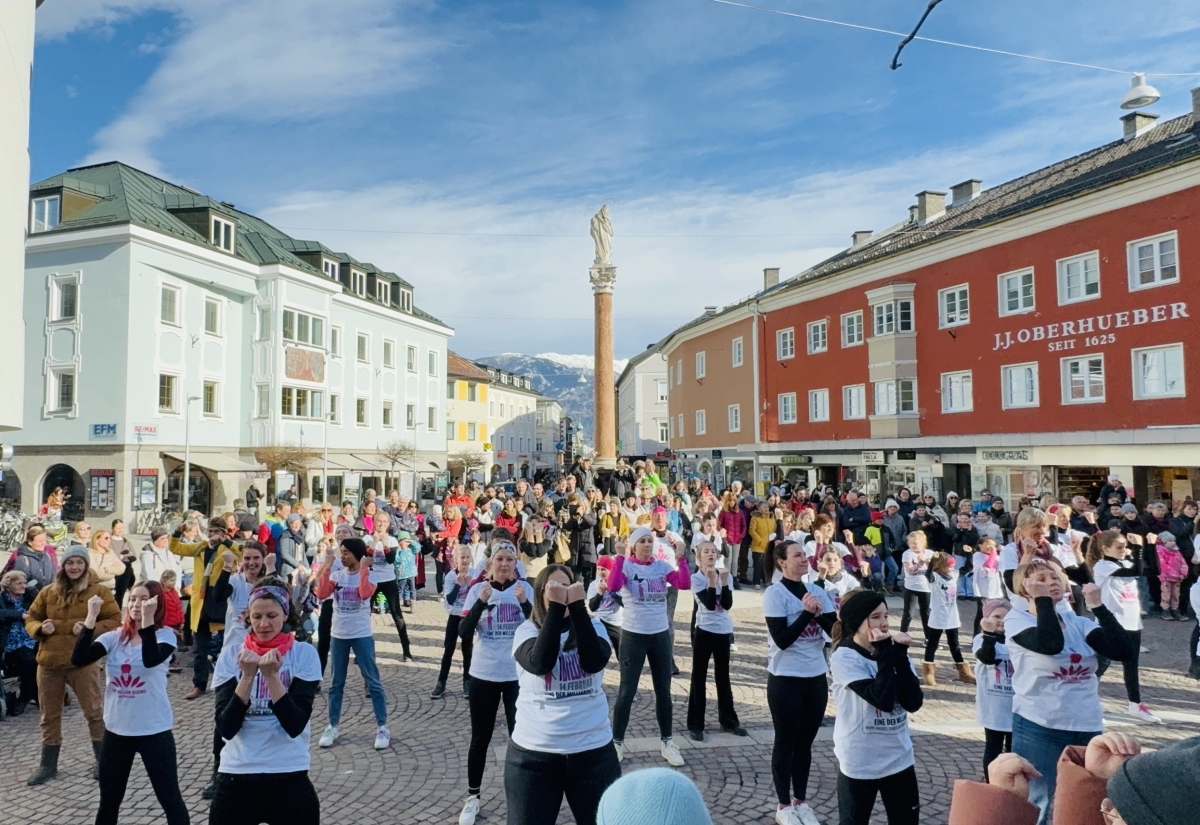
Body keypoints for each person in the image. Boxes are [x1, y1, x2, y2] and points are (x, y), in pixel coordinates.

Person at [1005, 561, 1131, 824]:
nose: (1051, 581)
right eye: (1041, 578)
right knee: (1039, 803)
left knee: (1084, 799)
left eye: (1055, 577)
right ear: (1024, 588)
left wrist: (1098, 606)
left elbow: (1122, 650)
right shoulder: (1017, 620)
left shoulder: (1078, 622)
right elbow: (1050, 643)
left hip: (1086, 724)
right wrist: (1041, 600)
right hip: (1039, 726)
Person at [504, 565, 620, 825]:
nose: (561, 593)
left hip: (593, 753)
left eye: (566, 587)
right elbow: (540, 662)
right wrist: (556, 609)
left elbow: (594, 660)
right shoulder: (526, 631)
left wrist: (578, 608)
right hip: (534, 757)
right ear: (540, 594)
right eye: (552, 589)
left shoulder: (596, 627)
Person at [70, 581, 189, 825]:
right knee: (109, 801)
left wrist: (146, 622)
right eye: (133, 598)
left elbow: (150, 659)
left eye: (144, 599)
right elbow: (79, 659)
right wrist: (91, 618)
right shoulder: (115, 637)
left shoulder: (165, 635)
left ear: (156, 603)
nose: (137, 604)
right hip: (117, 731)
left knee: (170, 798)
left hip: (154, 730)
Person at [210, 580, 322, 825]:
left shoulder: (304, 654)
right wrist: (248, 677)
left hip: (288, 774)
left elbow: (295, 724)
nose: (263, 624)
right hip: (236, 775)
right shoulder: (230, 656)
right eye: (256, 616)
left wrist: (271, 677)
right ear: (247, 616)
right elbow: (226, 727)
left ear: (285, 614)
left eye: (272, 615)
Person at [24, 546, 120, 785]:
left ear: (86, 565)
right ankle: (48, 764)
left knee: (94, 713)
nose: (74, 567)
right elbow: (31, 617)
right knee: (49, 715)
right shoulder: (47, 592)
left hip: (83, 662)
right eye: (70, 563)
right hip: (49, 662)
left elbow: (115, 619)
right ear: (63, 566)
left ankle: (104, 761)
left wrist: (91, 629)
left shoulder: (98, 592)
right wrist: (38, 629)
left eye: (79, 562)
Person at [457, 539, 534, 825]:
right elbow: (464, 631)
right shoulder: (479, 589)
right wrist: (481, 602)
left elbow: (541, 629)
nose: (504, 564)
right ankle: (473, 796)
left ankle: (522, 795)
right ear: (490, 563)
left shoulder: (524, 590)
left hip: (517, 676)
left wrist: (525, 604)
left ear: (516, 565)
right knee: (481, 737)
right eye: (499, 559)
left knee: (521, 737)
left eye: (509, 560)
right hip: (484, 674)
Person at [830, 590, 923, 825]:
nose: (883, 623)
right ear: (857, 621)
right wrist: (884, 653)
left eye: (886, 616)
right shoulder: (845, 657)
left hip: (899, 757)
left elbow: (913, 702)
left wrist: (900, 657)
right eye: (875, 617)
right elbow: (881, 699)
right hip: (860, 760)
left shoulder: (892, 650)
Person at [763, 539, 837, 825]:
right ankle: (783, 806)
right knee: (786, 742)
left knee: (805, 743)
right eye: (797, 556)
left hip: (815, 676)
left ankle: (801, 802)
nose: (804, 559)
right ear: (782, 562)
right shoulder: (775, 593)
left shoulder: (817, 591)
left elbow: (835, 632)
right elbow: (781, 640)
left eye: (805, 555)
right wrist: (806, 613)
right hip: (785, 678)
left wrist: (818, 615)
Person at [606, 526, 692, 766]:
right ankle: (617, 742)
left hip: (660, 636)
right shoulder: (628, 565)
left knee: (664, 692)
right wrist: (621, 557)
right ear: (634, 545)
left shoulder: (661, 567)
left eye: (649, 541)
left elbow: (683, 584)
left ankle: (667, 742)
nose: (646, 545)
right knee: (627, 692)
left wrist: (681, 556)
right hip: (634, 636)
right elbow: (613, 586)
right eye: (642, 541)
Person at [314, 537, 391, 751]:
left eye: (347, 552)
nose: (343, 555)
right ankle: (332, 725)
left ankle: (382, 726)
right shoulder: (338, 576)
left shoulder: (371, 575)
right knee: (336, 683)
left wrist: (364, 569)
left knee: (373, 681)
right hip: (339, 635)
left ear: (357, 554)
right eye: (341, 552)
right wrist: (327, 566)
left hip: (361, 634)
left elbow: (365, 593)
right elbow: (321, 593)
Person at [1087, 531, 1159, 723]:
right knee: (1100, 665)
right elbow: (1135, 571)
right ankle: (1088, 704)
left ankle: (1135, 705)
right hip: (1111, 622)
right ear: (1105, 549)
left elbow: (1151, 571)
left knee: (1132, 665)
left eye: (1124, 547)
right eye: (1119, 547)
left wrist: (1150, 546)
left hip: (1132, 620)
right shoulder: (1103, 566)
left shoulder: (1127, 562)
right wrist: (1138, 548)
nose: (1123, 550)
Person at [170, 521, 240, 699]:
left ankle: (231, 682)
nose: (213, 534)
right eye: (211, 531)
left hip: (219, 600)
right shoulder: (200, 547)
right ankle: (199, 685)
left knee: (228, 645)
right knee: (199, 649)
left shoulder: (227, 548)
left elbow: (243, 553)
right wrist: (177, 533)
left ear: (224, 533)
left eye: (217, 531)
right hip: (200, 601)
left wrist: (225, 541)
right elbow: (176, 548)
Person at [687, 541, 745, 742]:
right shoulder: (696, 578)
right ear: (699, 556)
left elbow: (727, 604)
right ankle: (696, 724)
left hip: (723, 631)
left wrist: (724, 581)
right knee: (699, 677)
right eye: (706, 551)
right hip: (704, 631)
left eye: (713, 551)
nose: (710, 554)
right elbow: (710, 604)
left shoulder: (724, 575)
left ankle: (728, 721)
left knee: (723, 677)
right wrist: (712, 581)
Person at [972, 599, 1014, 780]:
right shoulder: (980, 639)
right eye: (996, 616)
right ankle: (991, 780)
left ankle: (1011, 779)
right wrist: (988, 634)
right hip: (993, 706)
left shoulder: (1018, 639)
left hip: (1016, 706)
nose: (1001, 621)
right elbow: (986, 657)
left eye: (1006, 617)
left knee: (1014, 749)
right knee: (993, 747)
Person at [365, 512, 414, 660]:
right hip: (371, 580)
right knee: (365, 615)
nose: (382, 524)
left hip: (388, 580)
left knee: (397, 615)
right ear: (374, 522)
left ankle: (406, 650)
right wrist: (374, 543)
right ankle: (363, 650)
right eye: (379, 521)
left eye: (385, 522)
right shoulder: (367, 538)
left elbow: (390, 559)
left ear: (388, 524)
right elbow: (366, 557)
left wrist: (385, 543)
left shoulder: (392, 540)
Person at [923, 552, 975, 686]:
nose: (951, 569)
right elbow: (927, 575)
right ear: (941, 566)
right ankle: (928, 673)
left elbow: (968, 567)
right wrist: (931, 561)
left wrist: (969, 554)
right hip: (938, 615)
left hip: (952, 615)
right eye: (949, 566)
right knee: (932, 644)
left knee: (955, 644)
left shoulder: (954, 574)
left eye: (953, 566)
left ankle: (964, 672)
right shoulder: (935, 577)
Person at [432, 544, 475, 699]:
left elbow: (478, 598)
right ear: (456, 560)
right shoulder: (450, 576)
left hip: (468, 617)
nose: (464, 561)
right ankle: (441, 683)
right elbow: (450, 600)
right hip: (454, 616)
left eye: (467, 557)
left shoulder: (474, 574)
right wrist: (458, 584)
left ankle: (467, 682)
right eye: (461, 558)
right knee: (448, 650)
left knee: (467, 651)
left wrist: (471, 585)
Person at [0, 570, 38, 715]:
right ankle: (25, 697)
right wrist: (19, 615)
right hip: (10, 644)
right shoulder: (2, 598)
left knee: (43, 657)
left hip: (31, 639)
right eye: (19, 583)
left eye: (24, 582)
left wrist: (32, 589)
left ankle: (33, 693)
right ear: (9, 585)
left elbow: (43, 603)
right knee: (30, 661)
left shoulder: (28, 597)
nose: (23, 586)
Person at [588, 555, 623, 657]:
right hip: (600, 620)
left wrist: (612, 592)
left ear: (610, 570)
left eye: (603, 569)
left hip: (616, 622)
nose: (600, 572)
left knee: (621, 652)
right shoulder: (594, 585)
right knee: (597, 651)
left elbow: (625, 603)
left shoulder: (618, 584)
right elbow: (592, 608)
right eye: (598, 569)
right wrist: (599, 594)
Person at [899, 531, 932, 635]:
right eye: (910, 543)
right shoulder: (907, 554)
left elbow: (936, 569)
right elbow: (911, 571)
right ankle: (902, 634)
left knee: (926, 613)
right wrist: (919, 563)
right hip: (911, 587)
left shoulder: (929, 553)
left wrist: (928, 562)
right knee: (908, 613)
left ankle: (928, 638)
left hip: (926, 587)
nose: (913, 545)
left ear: (922, 543)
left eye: (915, 543)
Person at [1155, 531, 1188, 620]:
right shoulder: (1160, 551)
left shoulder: (1177, 552)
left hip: (1177, 578)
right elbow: (1163, 564)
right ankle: (1165, 610)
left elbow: (1183, 562)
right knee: (1166, 594)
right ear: (1163, 542)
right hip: (1166, 577)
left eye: (1173, 540)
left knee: (1176, 594)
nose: (1173, 542)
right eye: (1170, 541)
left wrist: (1183, 573)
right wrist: (1174, 574)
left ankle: (1175, 609)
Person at [87, 529, 126, 595]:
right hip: (96, 591)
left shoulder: (110, 552)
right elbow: (96, 575)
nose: (109, 541)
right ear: (97, 540)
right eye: (106, 538)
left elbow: (122, 568)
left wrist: (106, 569)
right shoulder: (90, 554)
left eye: (110, 538)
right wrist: (113, 574)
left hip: (111, 591)